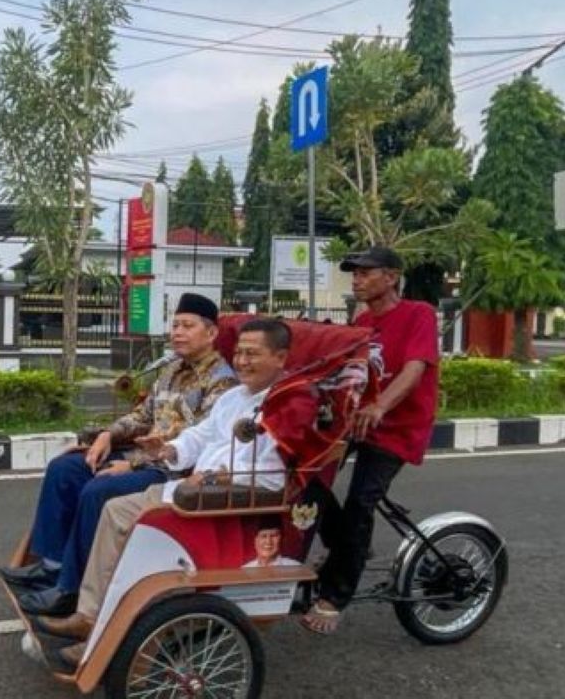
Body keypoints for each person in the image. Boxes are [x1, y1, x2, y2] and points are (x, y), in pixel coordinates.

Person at [32, 318, 293, 663]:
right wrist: (168, 449)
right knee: (104, 500)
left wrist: (208, 477)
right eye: (240, 352)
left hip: (213, 497)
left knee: (107, 496)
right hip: (186, 482)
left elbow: (274, 472)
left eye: (252, 354)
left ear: (281, 357)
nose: (242, 361)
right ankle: (86, 610)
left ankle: (101, 627)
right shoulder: (231, 395)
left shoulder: (284, 403)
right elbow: (199, 434)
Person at [2, 293, 237, 617]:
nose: (177, 332)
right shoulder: (170, 371)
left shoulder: (222, 383)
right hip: (139, 454)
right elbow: (143, 416)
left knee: (98, 490)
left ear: (211, 334)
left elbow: (199, 443)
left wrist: (132, 463)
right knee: (65, 468)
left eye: (187, 326)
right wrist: (108, 435)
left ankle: (71, 590)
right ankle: (53, 566)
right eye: (175, 325)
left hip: (173, 469)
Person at [302, 245, 439, 635]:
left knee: (361, 502)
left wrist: (380, 406)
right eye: (355, 274)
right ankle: (346, 547)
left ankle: (337, 593)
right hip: (356, 422)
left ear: (391, 277)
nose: (356, 280)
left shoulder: (419, 314)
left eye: (365, 273)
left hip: (398, 426)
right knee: (306, 476)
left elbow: (414, 369)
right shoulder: (362, 320)